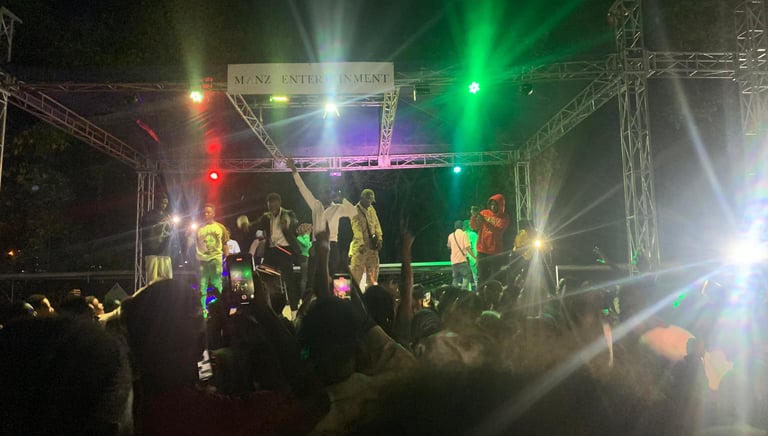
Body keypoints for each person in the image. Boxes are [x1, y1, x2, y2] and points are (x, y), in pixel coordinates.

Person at [286, 158, 356, 275]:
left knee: (331, 274)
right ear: (320, 194)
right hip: (316, 244)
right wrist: (294, 170)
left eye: (328, 193)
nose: (326, 195)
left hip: (331, 244)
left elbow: (354, 213)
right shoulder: (316, 205)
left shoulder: (337, 208)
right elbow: (302, 189)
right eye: (323, 192)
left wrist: (342, 198)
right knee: (314, 275)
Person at [238, 193, 301, 317]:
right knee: (264, 278)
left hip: (285, 251)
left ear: (279, 203)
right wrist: (245, 225)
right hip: (272, 251)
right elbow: (253, 226)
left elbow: (294, 223)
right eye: (269, 205)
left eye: (273, 204)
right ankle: (269, 307)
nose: (271, 207)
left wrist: (287, 225)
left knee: (289, 281)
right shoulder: (266, 217)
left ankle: (294, 311)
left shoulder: (288, 214)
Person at [195, 203, 229, 314]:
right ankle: (203, 310)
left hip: (216, 258)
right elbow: (193, 243)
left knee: (217, 283)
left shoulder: (220, 227)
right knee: (202, 285)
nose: (206, 214)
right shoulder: (199, 228)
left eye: (208, 212)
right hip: (202, 259)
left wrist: (227, 257)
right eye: (204, 212)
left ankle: (221, 308)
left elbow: (225, 244)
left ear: (214, 213)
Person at [470, 194, 510, 283]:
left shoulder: (505, 217)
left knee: (494, 278)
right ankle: (480, 292)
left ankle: (493, 291)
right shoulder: (484, 213)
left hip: (495, 252)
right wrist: (473, 216)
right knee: (481, 277)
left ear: (501, 205)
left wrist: (485, 221)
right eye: (491, 204)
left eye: (495, 205)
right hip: (482, 251)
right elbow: (474, 227)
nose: (493, 207)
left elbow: (498, 231)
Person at [349, 189, 383, 289]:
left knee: (372, 278)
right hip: (360, 249)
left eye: (370, 201)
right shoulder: (355, 211)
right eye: (368, 201)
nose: (369, 203)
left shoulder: (371, 209)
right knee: (356, 278)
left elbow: (377, 225)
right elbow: (357, 229)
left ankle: (371, 295)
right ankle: (355, 296)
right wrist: (361, 244)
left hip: (372, 248)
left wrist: (379, 239)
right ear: (362, 199)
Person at [141, 193, 173, 283]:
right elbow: (146, 230)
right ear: (156, 201)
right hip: (152, 251)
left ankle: (166, 292)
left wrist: (171, 225)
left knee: (167, 279)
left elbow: (170, 232)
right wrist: (160, 223)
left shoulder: (167, 215)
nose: (164, 205)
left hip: (165, 251)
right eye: (162, 203)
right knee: (152, 280)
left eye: (166, 203)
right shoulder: (148, 215)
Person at [447, 220, 475, 290]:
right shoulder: (464, 234)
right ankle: (463, 292)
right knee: (466, 277)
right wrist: (474, 257)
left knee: (455, 279)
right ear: (462, 227)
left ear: (455, 227)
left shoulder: (451, 235)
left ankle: (454, 293)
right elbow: (467, 247)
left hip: (454, 261)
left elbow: (448, 246)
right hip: (462, 260)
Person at [296, 223, 313, 298]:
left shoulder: (302, 238)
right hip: (304, 257)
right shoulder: (299, 238)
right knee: (304, 278)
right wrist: (307, 235)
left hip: (307, 257)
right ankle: (303, 295)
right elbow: (306, 244)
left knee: (306, 277)